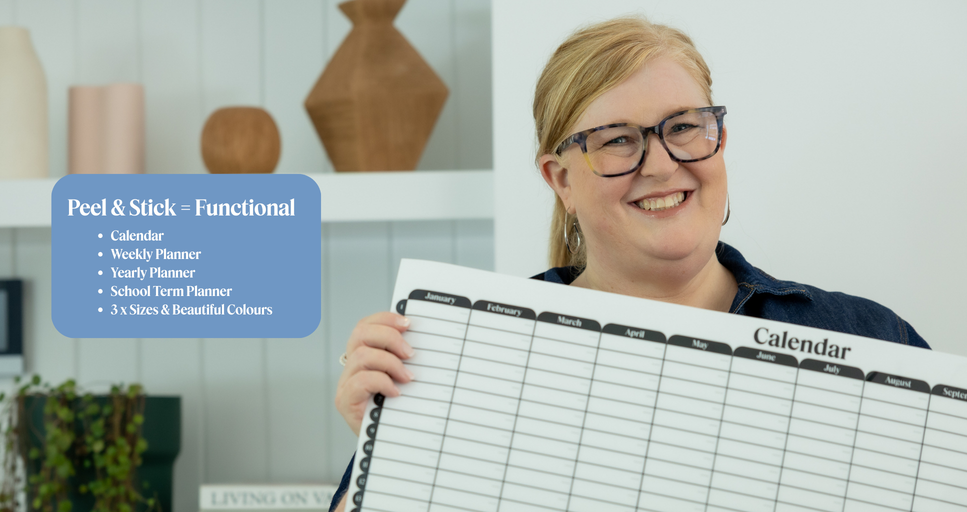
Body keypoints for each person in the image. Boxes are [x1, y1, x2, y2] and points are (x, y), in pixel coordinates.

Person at [328, 15, 929, 511]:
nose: (662, 165)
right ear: (560, 180)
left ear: (718, 138)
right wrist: (392, 456)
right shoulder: (471, 362)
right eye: (618, 139)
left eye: (684, 127)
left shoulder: (873, 341)